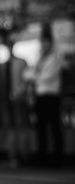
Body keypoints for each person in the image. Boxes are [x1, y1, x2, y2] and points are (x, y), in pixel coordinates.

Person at [25, 20, 64, 166]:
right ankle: (43, 156)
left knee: (53, 126)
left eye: (46, 42)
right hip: (40, 96)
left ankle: (58, 156)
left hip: (51, 96)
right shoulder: (40, 58)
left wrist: (33, 77)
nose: (44, 44)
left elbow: (46, 77)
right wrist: (34, 76)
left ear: (50, 42)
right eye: (42, 42)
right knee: (40, 127)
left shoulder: (54, 58)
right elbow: (28, 73)